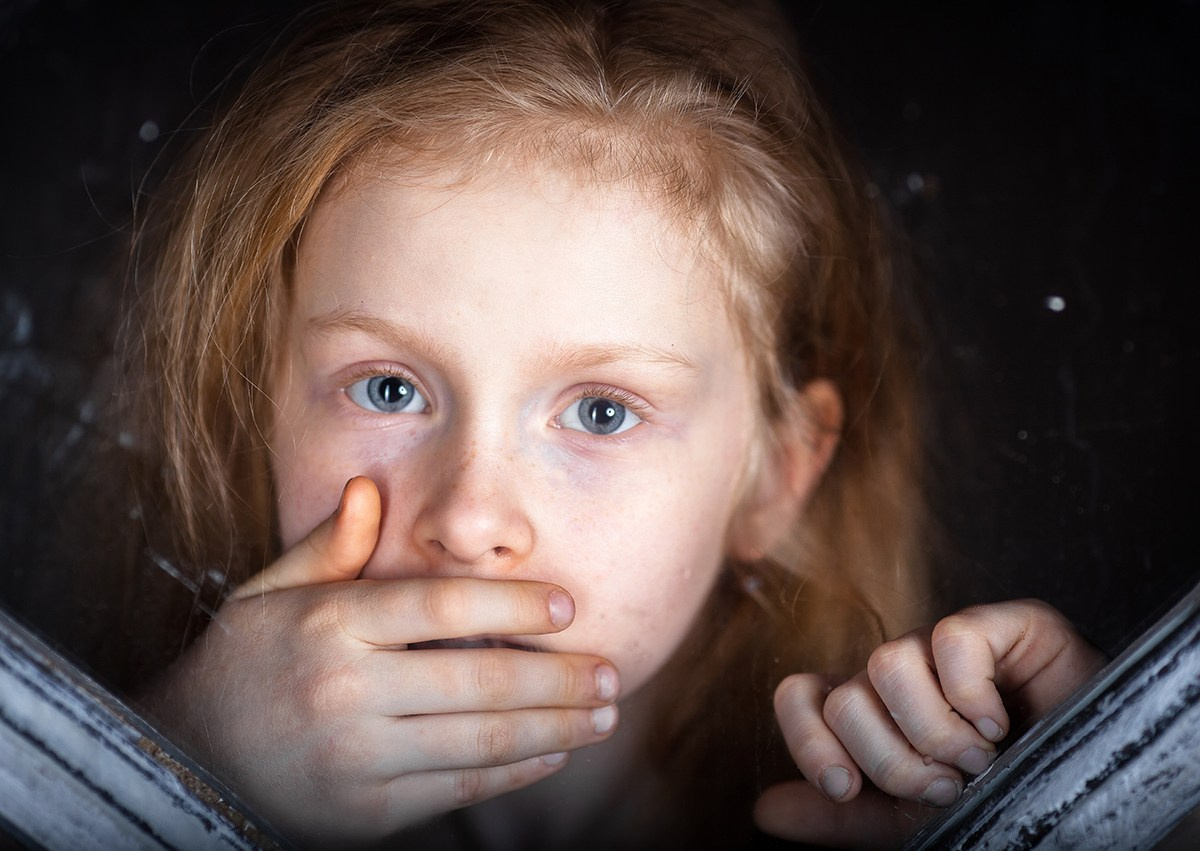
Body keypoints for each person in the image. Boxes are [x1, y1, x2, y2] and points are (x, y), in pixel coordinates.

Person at [122, 0, 1106, 847]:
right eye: (387, 388)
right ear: (263, 408)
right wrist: (174, 768)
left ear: (773, 480)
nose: (469, 519)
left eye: (601, 410)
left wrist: (1109, 790)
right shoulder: (175, 727)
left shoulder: (901, 804)